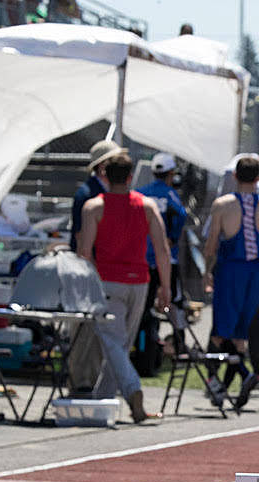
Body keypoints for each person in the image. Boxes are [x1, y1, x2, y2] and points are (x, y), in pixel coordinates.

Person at [76, 153, 173, 424]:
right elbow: (163, 249)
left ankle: (133, 391)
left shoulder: (94, 207)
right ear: (131, 177)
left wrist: (92, 280)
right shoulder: (147, 205)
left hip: (108, 280)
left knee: (113, 343)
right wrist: (165, 287)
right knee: (121, 343)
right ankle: (104, 400)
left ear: (105, 176)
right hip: (139, 281)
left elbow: (84, 251)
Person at [201, 155, 259, 409]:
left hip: (231, 269)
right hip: (255, 271)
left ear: (235, 176)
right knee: (239, 334)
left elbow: (212, 243)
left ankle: (221, 379)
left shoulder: (223, 205)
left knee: (219, 331)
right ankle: (239, 379)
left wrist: (207, 270)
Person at [220, 152, 259, 389]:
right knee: (234, 328)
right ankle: (228, 377)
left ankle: (231, 378)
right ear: (258, 176)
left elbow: (211, 240)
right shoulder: (233, 202)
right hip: (244, 270)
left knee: (242, 326)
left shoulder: (251, 202)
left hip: (236, 271)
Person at [135, 152, 188, 376]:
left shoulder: (141, 193)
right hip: (166, 258)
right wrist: (173, 237)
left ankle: (139, 346)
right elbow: (181, 215)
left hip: (141, 258)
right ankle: (179, 344)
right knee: (175, 302)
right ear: (171, 174)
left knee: (142, 307)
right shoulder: (170, 194)